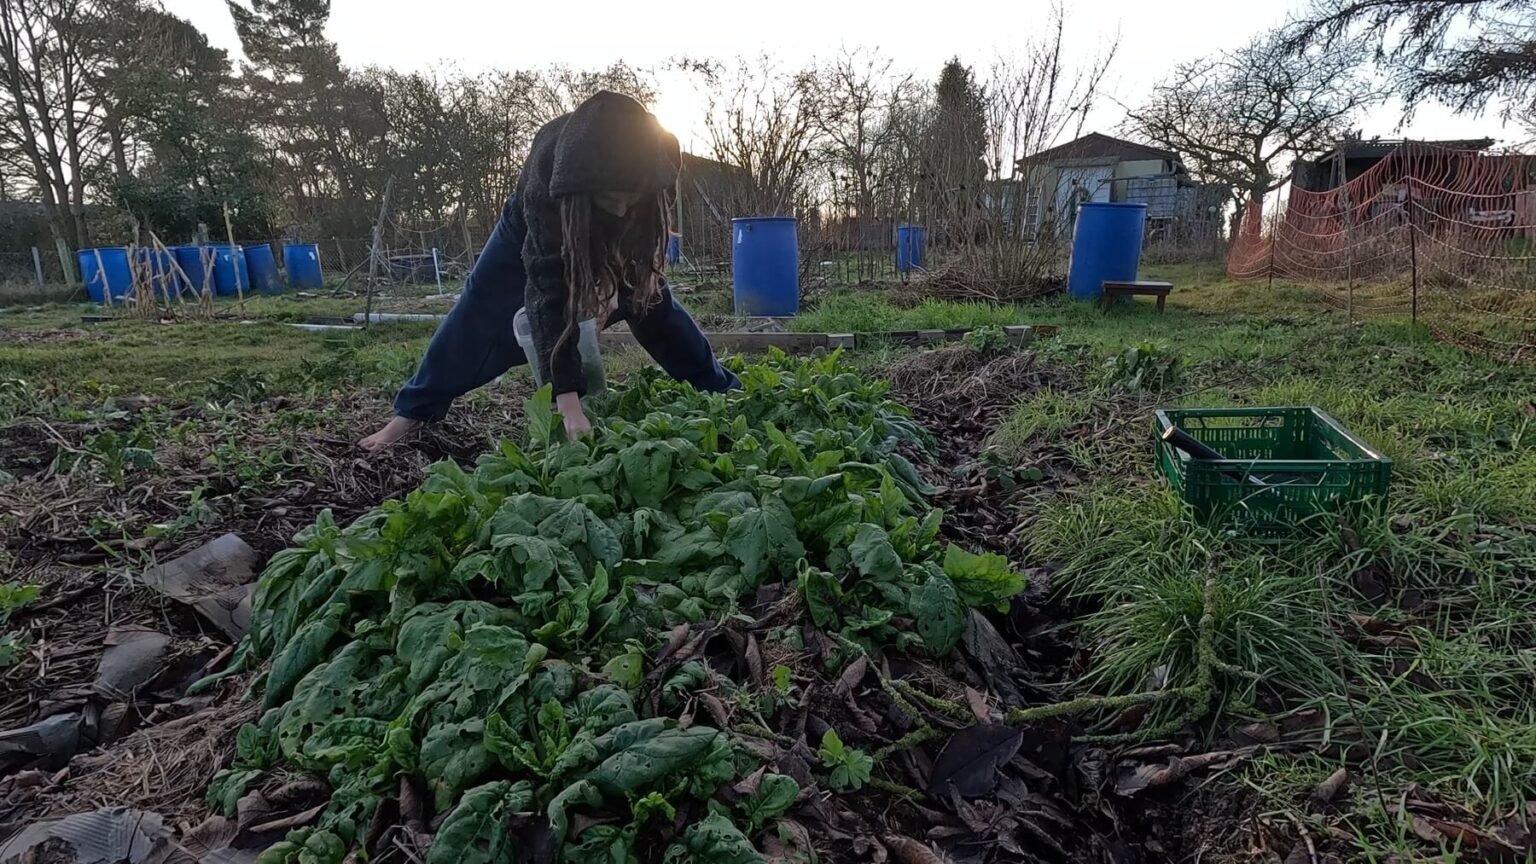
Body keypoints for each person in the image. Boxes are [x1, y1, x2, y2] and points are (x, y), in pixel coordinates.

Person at [360, 91, 739, 451]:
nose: (622, 210)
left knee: (651, 301)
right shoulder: (550, 176)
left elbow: (641, 230)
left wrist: (614, 278)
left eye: (630, 200)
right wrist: (568, 403)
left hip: (603, 212)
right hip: (535, 224)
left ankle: (721, 389)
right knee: (479, 309)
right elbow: (549, 294)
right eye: (612, 200)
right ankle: (411, 412)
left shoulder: (657, 163)